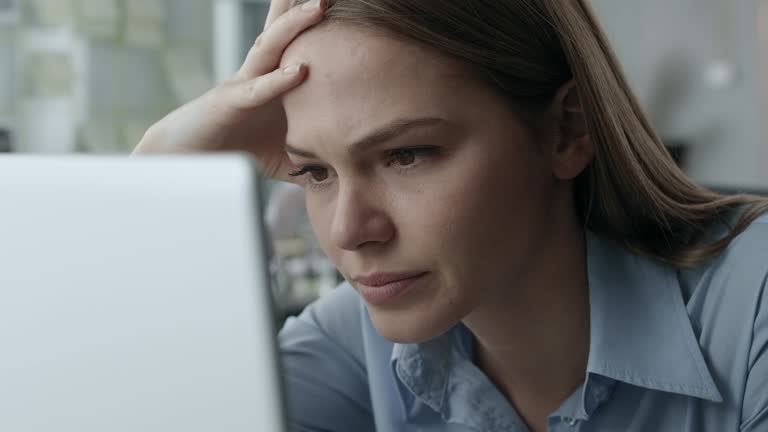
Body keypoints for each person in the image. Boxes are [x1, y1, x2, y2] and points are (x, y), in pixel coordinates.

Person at [133, 0, 768, 430]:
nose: (350, 231)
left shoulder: (753, 306)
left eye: (406, 154)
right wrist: (158, 177)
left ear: (566, 129)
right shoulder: (355, 344)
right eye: (314, 172)